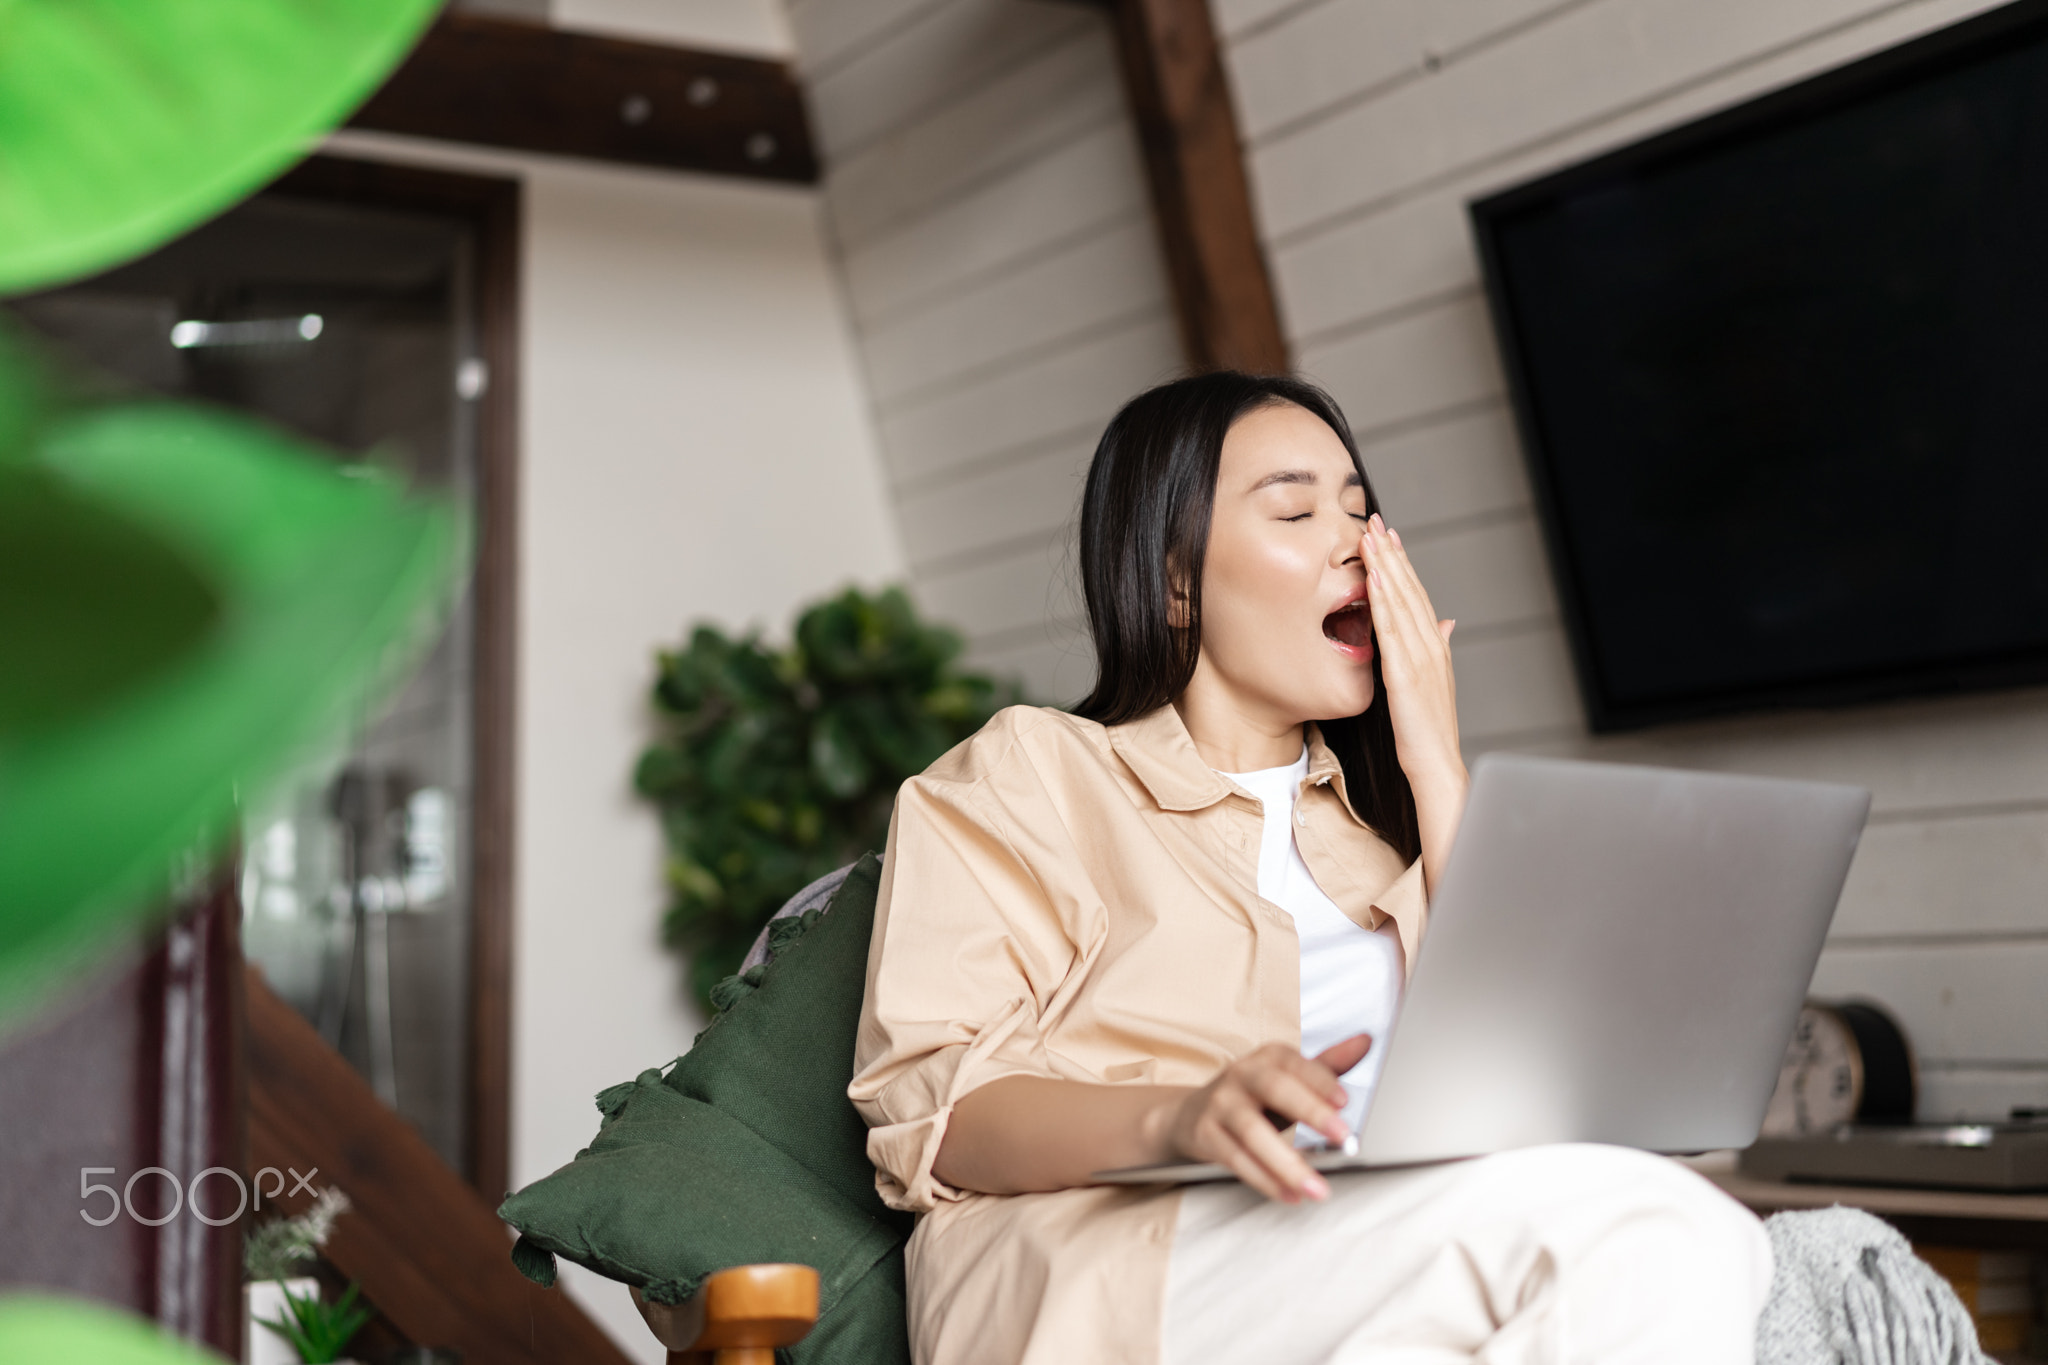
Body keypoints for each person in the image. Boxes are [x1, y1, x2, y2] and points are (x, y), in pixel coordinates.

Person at [848, 372, 1772, 1365]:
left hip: (1361, 1249)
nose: (1352, 544)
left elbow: (1538, 1100)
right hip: (1114, 1269)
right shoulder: (1036, 772)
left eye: (1361, 511)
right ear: (1175, 583)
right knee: (1663, 1232)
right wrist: (1183, 1115)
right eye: (1294, 509)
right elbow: (929, 1118)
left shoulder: (1379, 841)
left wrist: (1436, 767)